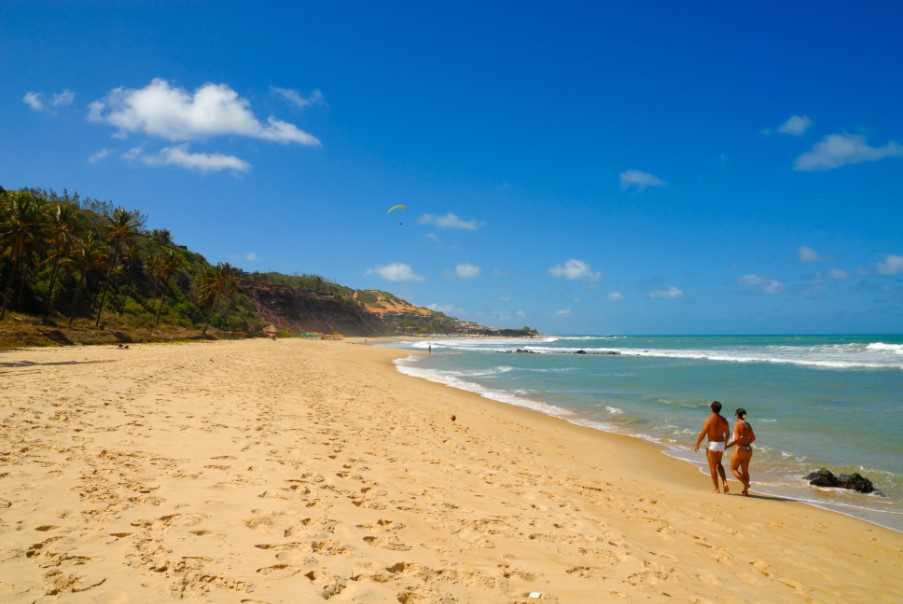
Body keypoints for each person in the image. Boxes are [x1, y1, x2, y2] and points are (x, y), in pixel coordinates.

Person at [694, 401, 731, 494]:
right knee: (719, 464)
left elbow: (703, 433)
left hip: (712, 445)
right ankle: (724, 482)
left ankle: (716, 488)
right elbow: (727, 433)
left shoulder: (709, 419)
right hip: (721, 444)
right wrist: (725, 443)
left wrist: (697, 443)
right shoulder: (724, 420)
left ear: (711, 408)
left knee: (712, 467)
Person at [726, 408, 756, 496]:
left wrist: (727, 446)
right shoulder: (748, 425)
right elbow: (753, 438)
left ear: (737, 415)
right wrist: (747, 443)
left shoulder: (738, 424)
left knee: (733, 469)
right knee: (745, 471)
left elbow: (737, 439)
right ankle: (745, 491)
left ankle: (746, 484)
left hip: (740, 449)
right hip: (748, 449)